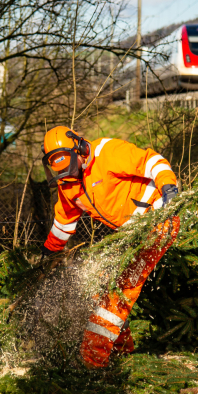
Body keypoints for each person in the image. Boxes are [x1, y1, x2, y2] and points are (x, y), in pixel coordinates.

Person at [40, 126, 179, 368]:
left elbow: (151, 161)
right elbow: (63, 221)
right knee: (99, 285)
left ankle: (93, 361)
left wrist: (168, 187)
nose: (67, 176)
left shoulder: (108, 152)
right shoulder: (68, 183)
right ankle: (121, 352)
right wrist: (49, 251)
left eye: (70, 168)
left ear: (81, 149)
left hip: (157, 220)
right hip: (127, 234)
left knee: (119, 288)